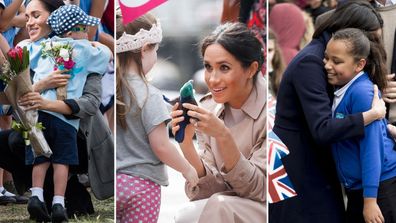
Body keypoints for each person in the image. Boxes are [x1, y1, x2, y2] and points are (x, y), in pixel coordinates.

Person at [269, 1, 388, 222]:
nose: (372, 47)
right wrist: (371, 115)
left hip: (315, 164)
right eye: (371, 40)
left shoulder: (323, 58)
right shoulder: (312, 63)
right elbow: (322, 128)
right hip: (300, 168)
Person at [0, 0, 114, 220]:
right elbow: (7, 103)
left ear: (53, 19)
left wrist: (45, 104)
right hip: (47, 126)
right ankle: (51, 198)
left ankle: (58, 194)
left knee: (41, 149)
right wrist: (41, 85)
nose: (30, 22)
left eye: (36, 16)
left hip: (81, 134)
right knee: (18, 140)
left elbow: (90, 104)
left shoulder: (78, 49)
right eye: (28, 17)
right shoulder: (30, 51)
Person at [171, 22, 266, 223]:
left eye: (224, 68)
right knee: (185, 216)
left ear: (251, 69)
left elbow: (258, 189)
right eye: (208, 67)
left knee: (220, 206)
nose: (212, 79)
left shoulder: (274, 111)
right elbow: (210, 191)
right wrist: (187, 146)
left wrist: (223, 136)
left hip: (272, 208)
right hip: (227, 205)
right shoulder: (208, 107)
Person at [115, 13, 199, 223]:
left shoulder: (112, 88)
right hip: (143, 186)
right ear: (144, 49)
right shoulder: (149, 94)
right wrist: (187, 169)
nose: (156, 55)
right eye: (156, 49)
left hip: (115, 182)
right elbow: (161, 146)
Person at [324, 28, 396, 223]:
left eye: (336, 61)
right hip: (359, 191)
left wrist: (370, 201)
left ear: (359, 64)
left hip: (378, 190)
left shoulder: (362, 93)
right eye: (326, 58)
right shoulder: (344, 87)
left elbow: (372, 148)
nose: (328, 65)